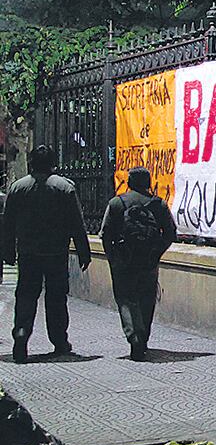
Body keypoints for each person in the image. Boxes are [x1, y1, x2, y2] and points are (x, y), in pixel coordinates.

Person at [1, 145, 91, 364]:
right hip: (56, 253)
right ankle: (59, 341)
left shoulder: (17, 188)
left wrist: (7, 251)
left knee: (25, 295)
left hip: (28, 253)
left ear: (31, 163)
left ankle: (21, 333)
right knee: (56, 298)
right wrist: (83, 251)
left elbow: (8, 223)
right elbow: (76, 223)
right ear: (53, 163)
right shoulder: (64, 187)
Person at [100, 166, 176, 361]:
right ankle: (143, 339)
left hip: (124, 261)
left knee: (126, 299)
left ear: (130, 183)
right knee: (146, 299)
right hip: (148, 262)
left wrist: (113, 258)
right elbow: (170, 233)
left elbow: (106, 234)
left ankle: (133, 335)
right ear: (148, 183)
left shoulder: (117, 203)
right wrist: (156, 253)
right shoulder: (158, 205)